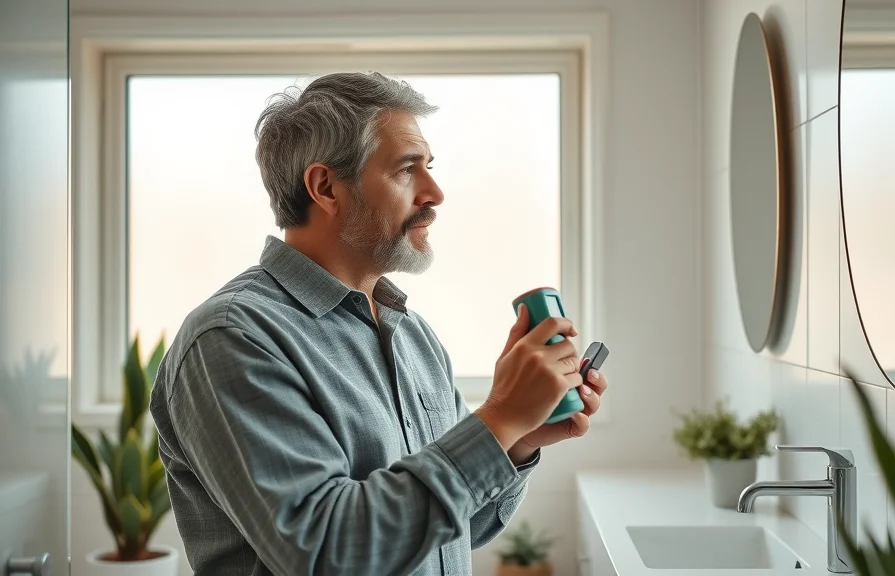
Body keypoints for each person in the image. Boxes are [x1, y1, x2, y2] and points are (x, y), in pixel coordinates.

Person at [148, 71, 609, 576]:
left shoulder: (413, 335)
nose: (435, 193)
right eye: (407, 169)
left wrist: (518, 439)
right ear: (326, 187)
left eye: (429, 167)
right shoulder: (233, 338)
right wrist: (499, 418)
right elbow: (327, 554)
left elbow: (455, 528)